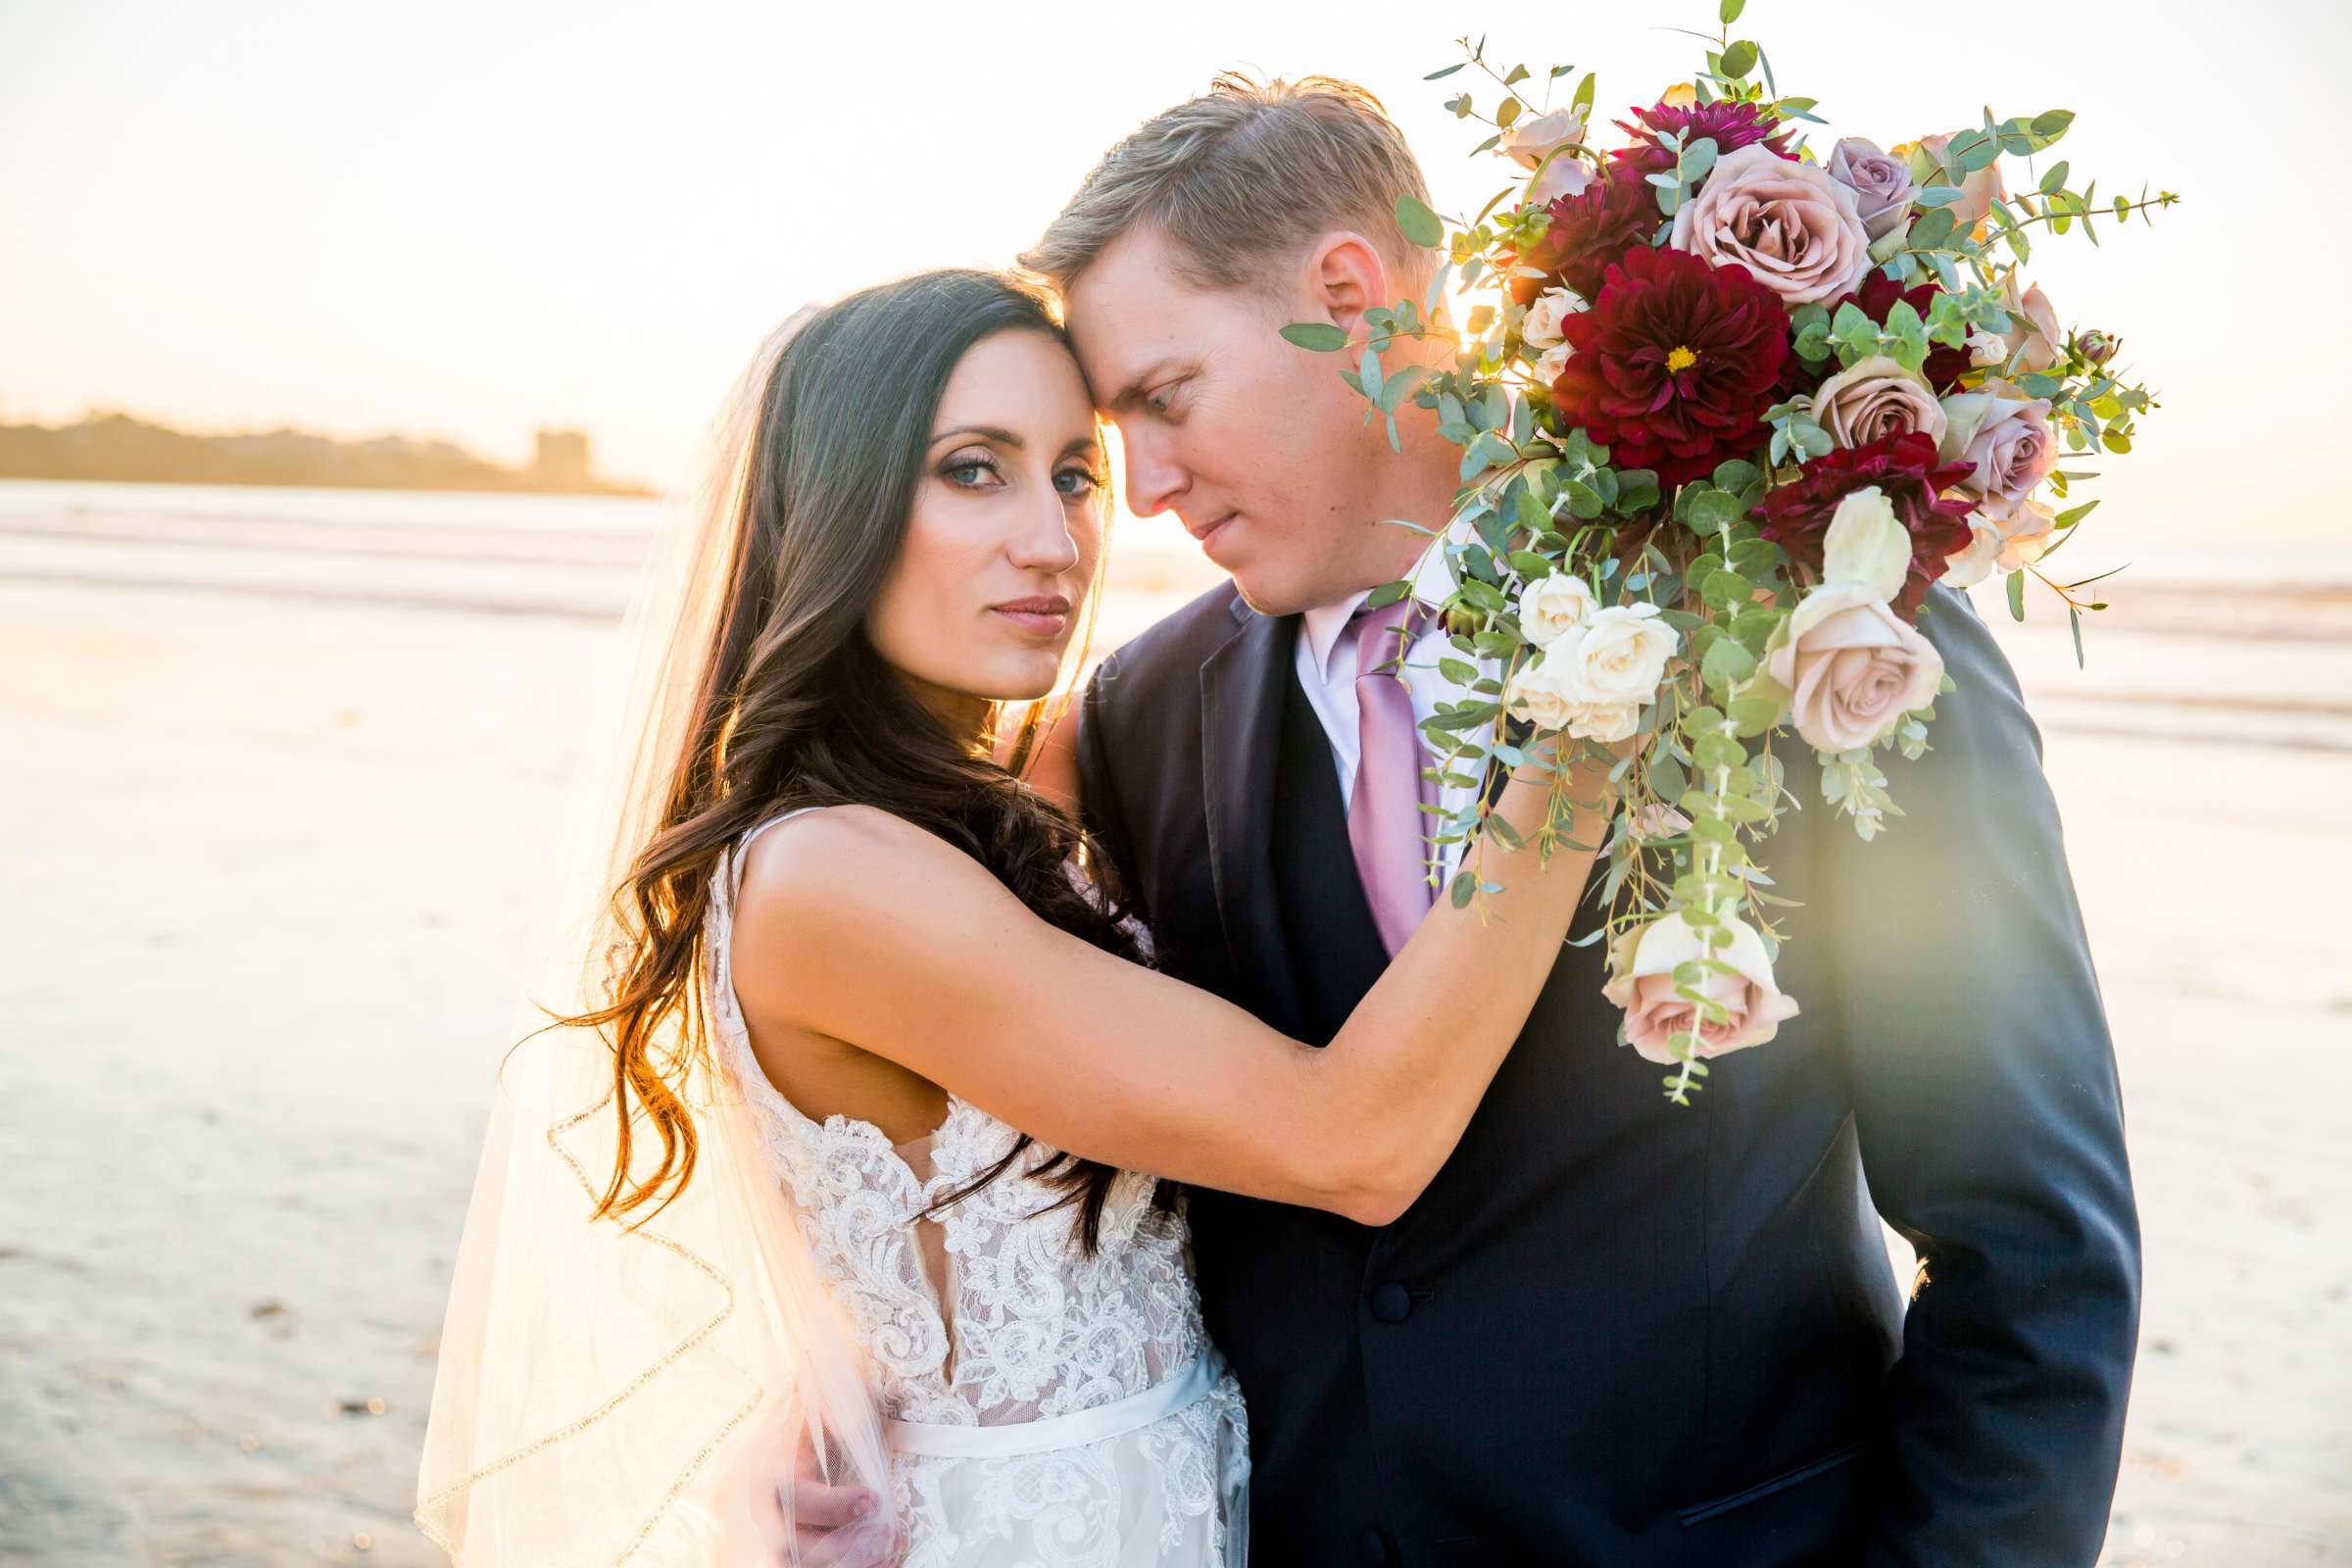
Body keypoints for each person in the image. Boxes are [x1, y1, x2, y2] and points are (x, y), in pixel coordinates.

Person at [1024, 74, 2142, 1565]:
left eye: (1165, 398)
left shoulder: (1822, 639)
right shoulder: (1138, 719)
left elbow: (2031, 1249)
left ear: (1349, 294)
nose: (1145, 488)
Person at [414, 268, 1618, 1566]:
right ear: (836, 508)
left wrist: (840, 1391)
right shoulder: (828, 879)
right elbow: (1353, 1141)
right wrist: (1599, 718)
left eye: (1073, 475)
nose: (1052, 539)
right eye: (974, 471)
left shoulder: (1016, 792)